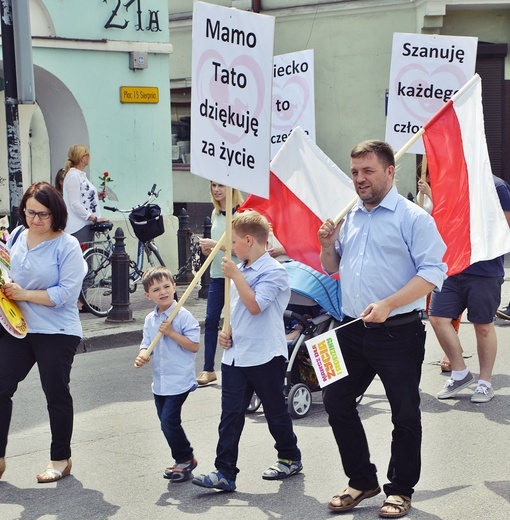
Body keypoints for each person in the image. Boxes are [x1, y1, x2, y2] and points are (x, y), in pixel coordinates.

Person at [318, 140, 447, 518]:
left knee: (404, 413)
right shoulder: (351, 215)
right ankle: (362, 480)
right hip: (350, 327)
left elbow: (433, 272)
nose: (360, 179)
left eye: (368, 171)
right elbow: (331, 267)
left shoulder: (414, 218)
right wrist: (327, 244)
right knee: (335, 402)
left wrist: (389, 303)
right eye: (355, 172)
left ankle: (400, 489)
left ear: (391, 172)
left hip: (398, 332)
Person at [192, 210, 302, 491]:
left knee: (276, 412)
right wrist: (226, 333)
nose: (231, 247)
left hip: (265, 354)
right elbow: (238, 311)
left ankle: (289, 457)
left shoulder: (274, 271)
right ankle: (224, 472)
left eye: (234, 242)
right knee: (230, 415)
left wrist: (235, 276)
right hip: (236, 355)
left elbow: (255, 306)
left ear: (250, 240)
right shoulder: (239, 268)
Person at [0, 182, 86, 483]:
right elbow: (8, 270)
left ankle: (60, 459)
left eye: (43, 214)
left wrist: (23, 294)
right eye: (30, 212)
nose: (35, 220)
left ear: (56, 213)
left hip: (57, 330)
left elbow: (65, 293)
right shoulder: (20, 235)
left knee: (55, 393)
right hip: (20, 326)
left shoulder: (67, 246)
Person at [429, 175, 510, 403]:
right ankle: (460, 373)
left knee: (483, 326)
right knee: (437, 318)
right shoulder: (449, 178)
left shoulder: (496, 186)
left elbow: (505, 226)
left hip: (484, 270)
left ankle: (485, 383)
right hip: (451, 268)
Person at [134, 266, 200, 482]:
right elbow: (146, 344)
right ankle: (182, 457)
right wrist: (143, 354)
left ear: (174, 287)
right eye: (155, 289)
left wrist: (171, 333)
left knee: (169, 421)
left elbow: (193, 346)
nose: (162, 292)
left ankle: (185, 457)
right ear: (147, 295)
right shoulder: (150, 320)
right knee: (165, 422)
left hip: (179, 380)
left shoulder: (183, 316)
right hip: (160, 382)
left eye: (166, 286)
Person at [196, 182, 244, 386]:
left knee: (236, 321)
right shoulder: (216, 214)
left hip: (236, 276)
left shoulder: (241, 215)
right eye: (213, 186)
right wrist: (209, 250)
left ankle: (239, 365)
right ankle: (208, 369)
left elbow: (241, 250)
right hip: (217, 276)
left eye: (221, 186)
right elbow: (220, 248)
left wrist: (215, 246)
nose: (217, 190)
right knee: (211, 319)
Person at [416, 168, 462, 373]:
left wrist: (432, 194)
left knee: (449, 310)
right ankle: (452, 347)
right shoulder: (422, 193)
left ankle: (450, 353)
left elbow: (447, 213)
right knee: (432, 312)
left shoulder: (450, 191)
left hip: (450, 253)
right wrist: (423, 194)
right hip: (429, 255)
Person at [62, 145, 108, 245]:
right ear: (83, 158)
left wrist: (96, 196)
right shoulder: (74, 176)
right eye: (88, 155)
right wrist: (94, 218)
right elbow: (74, 203)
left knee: (88, 256)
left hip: (85, 225)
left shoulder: (79, 175)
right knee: (83, 258)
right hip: (78, 226)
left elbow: (81, 196)